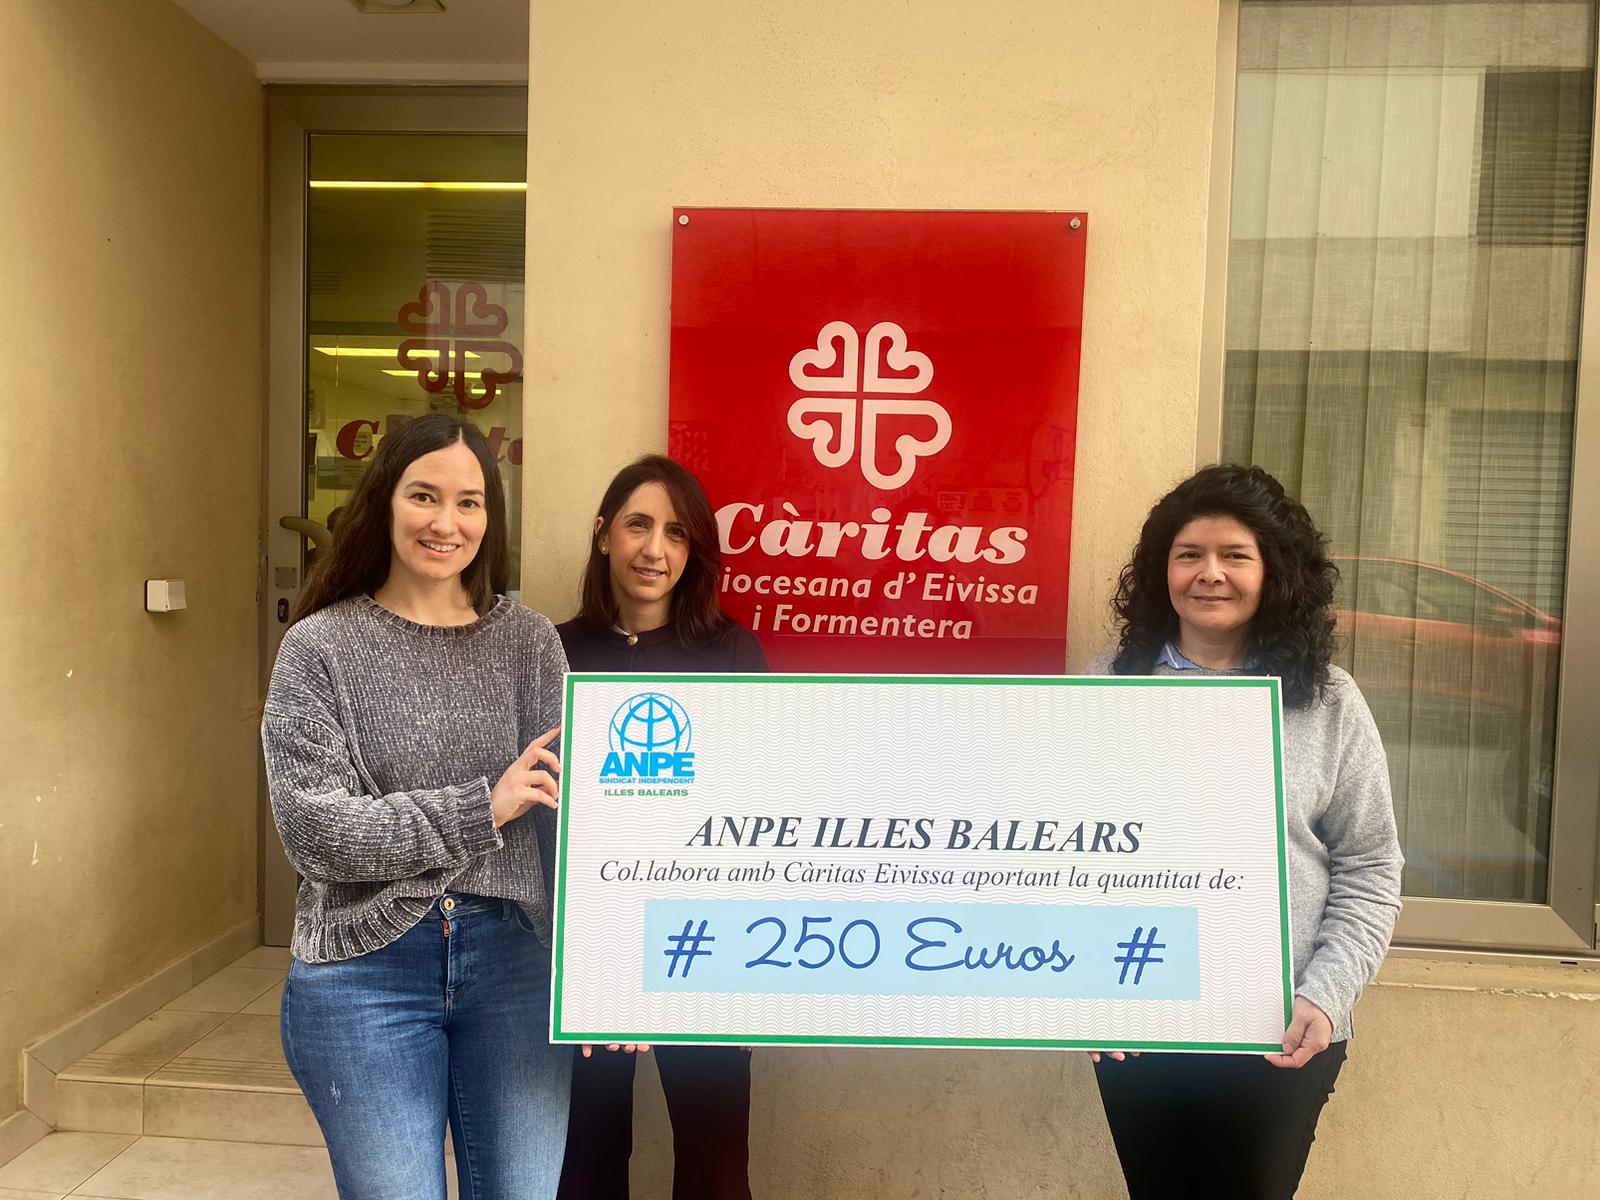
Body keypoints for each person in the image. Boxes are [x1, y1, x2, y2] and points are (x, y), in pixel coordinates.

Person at [262, 413, 571, 1200]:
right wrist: (481, 809)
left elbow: (577, 818)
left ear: (490, 519)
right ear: (385, 500)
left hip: (516, 963)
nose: (446, 523)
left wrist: (614, 975)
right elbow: (314, 830)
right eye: (424, 496)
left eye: (469, 502)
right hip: (363, 974)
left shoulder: (530, 643)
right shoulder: (319, 647)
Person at [1087, 464, 1403, 1200]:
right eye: (1188, 555)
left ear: (1274, 573)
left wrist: (1325, 994)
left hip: (1282, 1026)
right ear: (1161, 570)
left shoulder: (1327, 701)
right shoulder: (1108, 685)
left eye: (1235, 555)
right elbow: (1071, 855)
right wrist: (1089, 990)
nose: (1210, 574)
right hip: (1142, 1020)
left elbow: (1370, 865)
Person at [556, 454, 767, 1200]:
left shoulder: (734, 653)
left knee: (716, 1168)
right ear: (603, 534)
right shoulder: (552, 651)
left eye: (676, 533)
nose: (655, 549)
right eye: (638, 525)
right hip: (581, 951)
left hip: (702, 946)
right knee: (584, 1161)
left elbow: (756, 804)